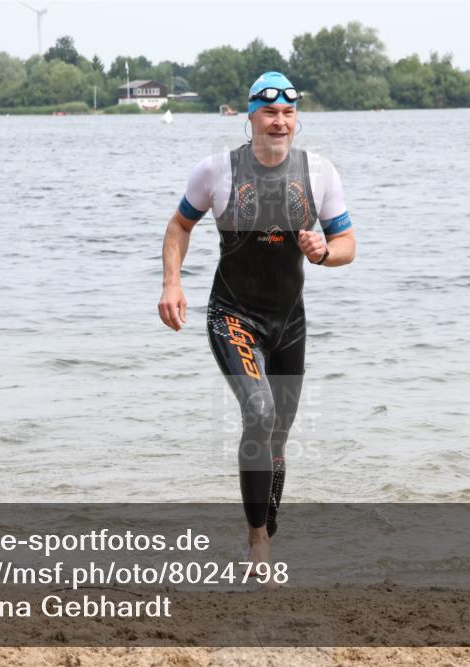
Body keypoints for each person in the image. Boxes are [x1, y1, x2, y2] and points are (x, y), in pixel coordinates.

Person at [158, 71, 356, 571]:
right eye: (270, 113)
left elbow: (348, 246)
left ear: (297, 119)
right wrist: (172, 284)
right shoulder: (216, 171)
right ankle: (257, 546)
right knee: (260, 413)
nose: (280, 122)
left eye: (288, 113)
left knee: (279, 438)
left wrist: (325, 250)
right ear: (250, 117)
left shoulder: (321, 173)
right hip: (233, 316)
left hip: (289, 323)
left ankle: (267, 528)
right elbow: (180, 225)